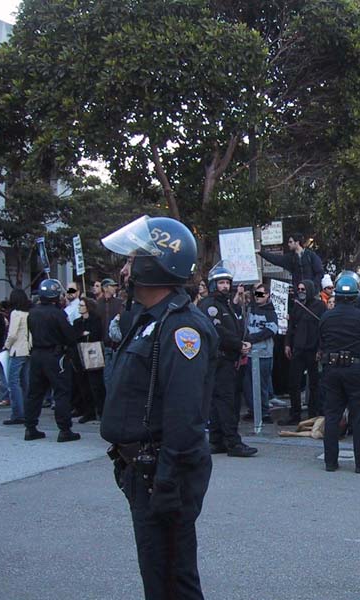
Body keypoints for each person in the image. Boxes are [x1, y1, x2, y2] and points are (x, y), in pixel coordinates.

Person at [99, 215, 216, 600]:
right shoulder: (150, 319)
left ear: (155, 264)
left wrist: (166, 484)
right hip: (144, 470)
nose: (125, 267)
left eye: (134, 258)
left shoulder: (182, 328)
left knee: (172, 581)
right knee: (159, 577)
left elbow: (184, 417)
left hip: (162, 475)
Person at [319, 271, 360, 473]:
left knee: (332, 415)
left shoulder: (326, 317)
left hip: (331, 370)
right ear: (356, 296)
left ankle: (330, 461)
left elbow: (321, 341)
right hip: (356, 370)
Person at [199, 263, 257, 457]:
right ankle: (233, 442)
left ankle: (217, 441)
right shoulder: (209, 305)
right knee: (226, 403)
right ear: (213, 284)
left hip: (229, 360)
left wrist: (245, 341)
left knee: (220, 402)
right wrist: (238, 344)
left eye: (227, 282)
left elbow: (238, 326)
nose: (224, 286)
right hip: (219, 360)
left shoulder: (227, 305)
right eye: (221, 282)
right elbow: (217, 331)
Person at [24, 278, 80, 442]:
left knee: (34, 393)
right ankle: (64, 429)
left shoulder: (33, 312)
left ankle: (30, 427)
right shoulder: (58, 314)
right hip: (55, 356)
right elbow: (69, 337)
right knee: (62, 392)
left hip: (37, 354)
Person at [281, 279, 326, 425]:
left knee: (314, 384)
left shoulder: (320, 306)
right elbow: (291, 326)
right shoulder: (297, 306)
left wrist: (320, 348)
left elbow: (323, 329)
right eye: (299, 289)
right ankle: (295, 415)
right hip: (298, 349)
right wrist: (288, 344)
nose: (300, 292)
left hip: (313, 349)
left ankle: (313, 415)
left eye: (303, 289)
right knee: (293, 383)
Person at [243, 282, 278, 423]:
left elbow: (272, 330)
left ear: (267, 295)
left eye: (261, 294)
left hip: (263, 353)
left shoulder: (270, 312)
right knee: (248, 385)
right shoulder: (251, 308)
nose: (258, 297)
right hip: (249, 352)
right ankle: (253, 410)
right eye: (256, 294)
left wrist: (252, 339)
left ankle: (264, 412)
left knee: (262, 384)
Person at [72, 297, 106, 423]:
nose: (79, 307)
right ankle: (89, 411)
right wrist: (82, 334)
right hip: (80, 355)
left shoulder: (95, 320)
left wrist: (86, 334)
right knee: (83, 385)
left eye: (82, 305)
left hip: (92, 354)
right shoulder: (77, 322)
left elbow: (96, 334)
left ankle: (101, 411)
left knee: (96, 385)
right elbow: (74, 335)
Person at [3, 288, 31, 425]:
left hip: (17, 350)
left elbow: (12, 334)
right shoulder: (28, 313)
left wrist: (6, 345)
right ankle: (27, 411)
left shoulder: (15, 313)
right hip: (27, 349)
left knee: (13, 382)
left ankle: (17, 413)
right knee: (25, 382)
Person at [258, 233, 323, 289]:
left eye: (290, 242)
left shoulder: (311, 255)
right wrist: (261, 253)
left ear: (297, 242)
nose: (288, 244)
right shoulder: (290, 257)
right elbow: (276, 259)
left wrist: (314, 285)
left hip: (312, 292)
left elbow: (320, 272)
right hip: (298, 292)